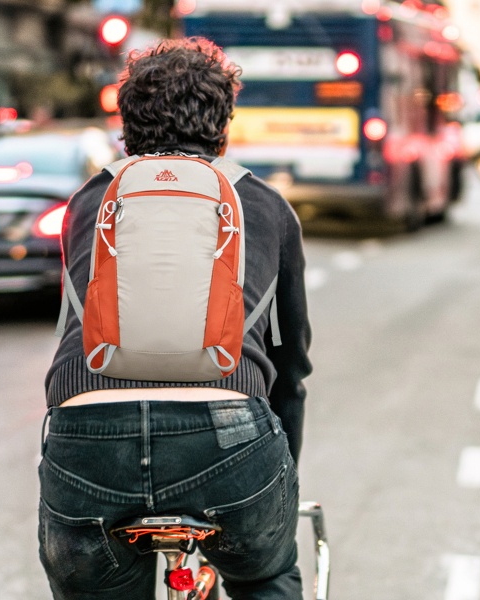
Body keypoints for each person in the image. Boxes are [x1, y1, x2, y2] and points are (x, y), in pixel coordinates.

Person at [38, 38, 312, 600]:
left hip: (87, 442)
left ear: (126, 122)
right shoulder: (264, 206)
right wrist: (278, 474)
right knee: (266, 578)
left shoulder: (89, 201)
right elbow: (291, 366)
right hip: (228, 442)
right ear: (223, 124)